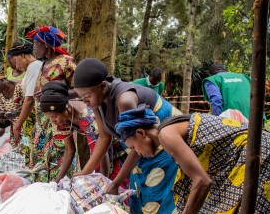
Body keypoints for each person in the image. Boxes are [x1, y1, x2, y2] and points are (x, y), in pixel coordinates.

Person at [72, 58, 182, 214]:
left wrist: (116, 182)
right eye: (81, 97)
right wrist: (86, 171)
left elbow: (139, 143)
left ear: (102, 86)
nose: (85, 101)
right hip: (140, 148)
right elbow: (104, 137)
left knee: (157, 196)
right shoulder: (96, 102)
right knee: (138, 193)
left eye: (87, 96)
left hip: (164, 146)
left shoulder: (124, 100)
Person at [115, 105, 270, 213]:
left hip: (258, 153)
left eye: (134, 147)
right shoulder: (169, 130)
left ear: (141, 133)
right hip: (252, 152)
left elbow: (202, 181)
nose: (137, 153)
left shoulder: (167, 135)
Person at [26, 26, 77, 182]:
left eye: (37, 44)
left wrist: (55, 95)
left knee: (60, 156)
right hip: (42, 123)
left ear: (47, 44)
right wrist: (36, 122)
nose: (34, 47)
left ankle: (59, 190)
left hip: (60, 120)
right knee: (40, 160)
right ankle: (43, 193)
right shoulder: (44, 64)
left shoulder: (66, 62)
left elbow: (80, 90)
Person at [39, 81, 111, 182]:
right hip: (100, 150)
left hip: (113, 146)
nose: (53, 121)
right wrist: (57, 181)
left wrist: (104, 182)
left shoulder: (87, 117)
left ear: (66, 108)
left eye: (55, 116)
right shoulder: (63, 119)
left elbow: (103, 150)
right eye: (50, 118)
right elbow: (70, 150)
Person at [6, 42, 42, 143]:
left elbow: (30, 99)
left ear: (22, 55)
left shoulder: (34, 66)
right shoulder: (31, 68)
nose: (16, 66)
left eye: (15, 61)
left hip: (36, 118)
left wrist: (18, 125)